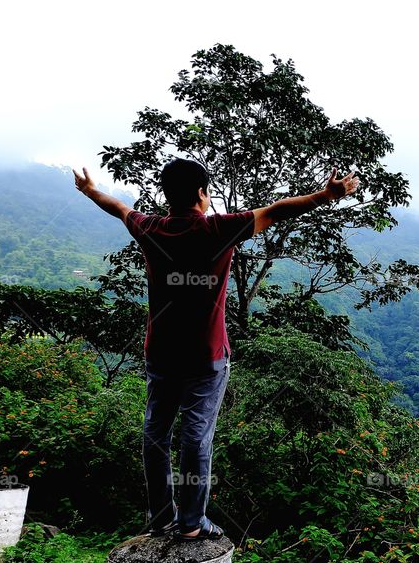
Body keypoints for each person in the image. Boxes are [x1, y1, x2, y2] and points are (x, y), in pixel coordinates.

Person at [73, 159, 359, 540]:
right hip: (206, 357)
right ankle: (192, 522)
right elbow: (277, 210)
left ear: (166, 195)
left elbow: (120, 208)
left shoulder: (150, 228)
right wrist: (328, 195)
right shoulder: (218, 230)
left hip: (160, 354)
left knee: (156, 434)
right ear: (201, 194)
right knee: (196, 436)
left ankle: (161, 518)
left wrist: (90, 190)